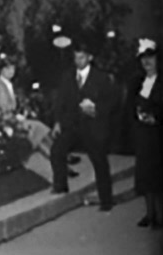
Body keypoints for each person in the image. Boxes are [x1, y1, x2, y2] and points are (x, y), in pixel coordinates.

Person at [48, 34, 117, 211]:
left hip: (93, 126)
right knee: (57, 150)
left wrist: (96, 109)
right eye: (75, 57)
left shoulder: (101, 78)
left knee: (99, 162)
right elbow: (60, 101)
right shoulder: (68, 77)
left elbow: (111, 101)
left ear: (89, 57)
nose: (78, 61)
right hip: (72, 125)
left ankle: (106, 200)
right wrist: (57, 122)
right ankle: (60, 185)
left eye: (81, 57)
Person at [128, 40, 163, 229]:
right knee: (146, 176)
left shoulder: (162, 81)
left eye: (150, 57)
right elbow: (131, 104)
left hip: (158, 135)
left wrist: (156, 117)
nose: (147, 62)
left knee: (158, 176)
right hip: (143, 135)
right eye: (143, 58)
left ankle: (160, 216)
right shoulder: (139, 81)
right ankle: (150, 213)